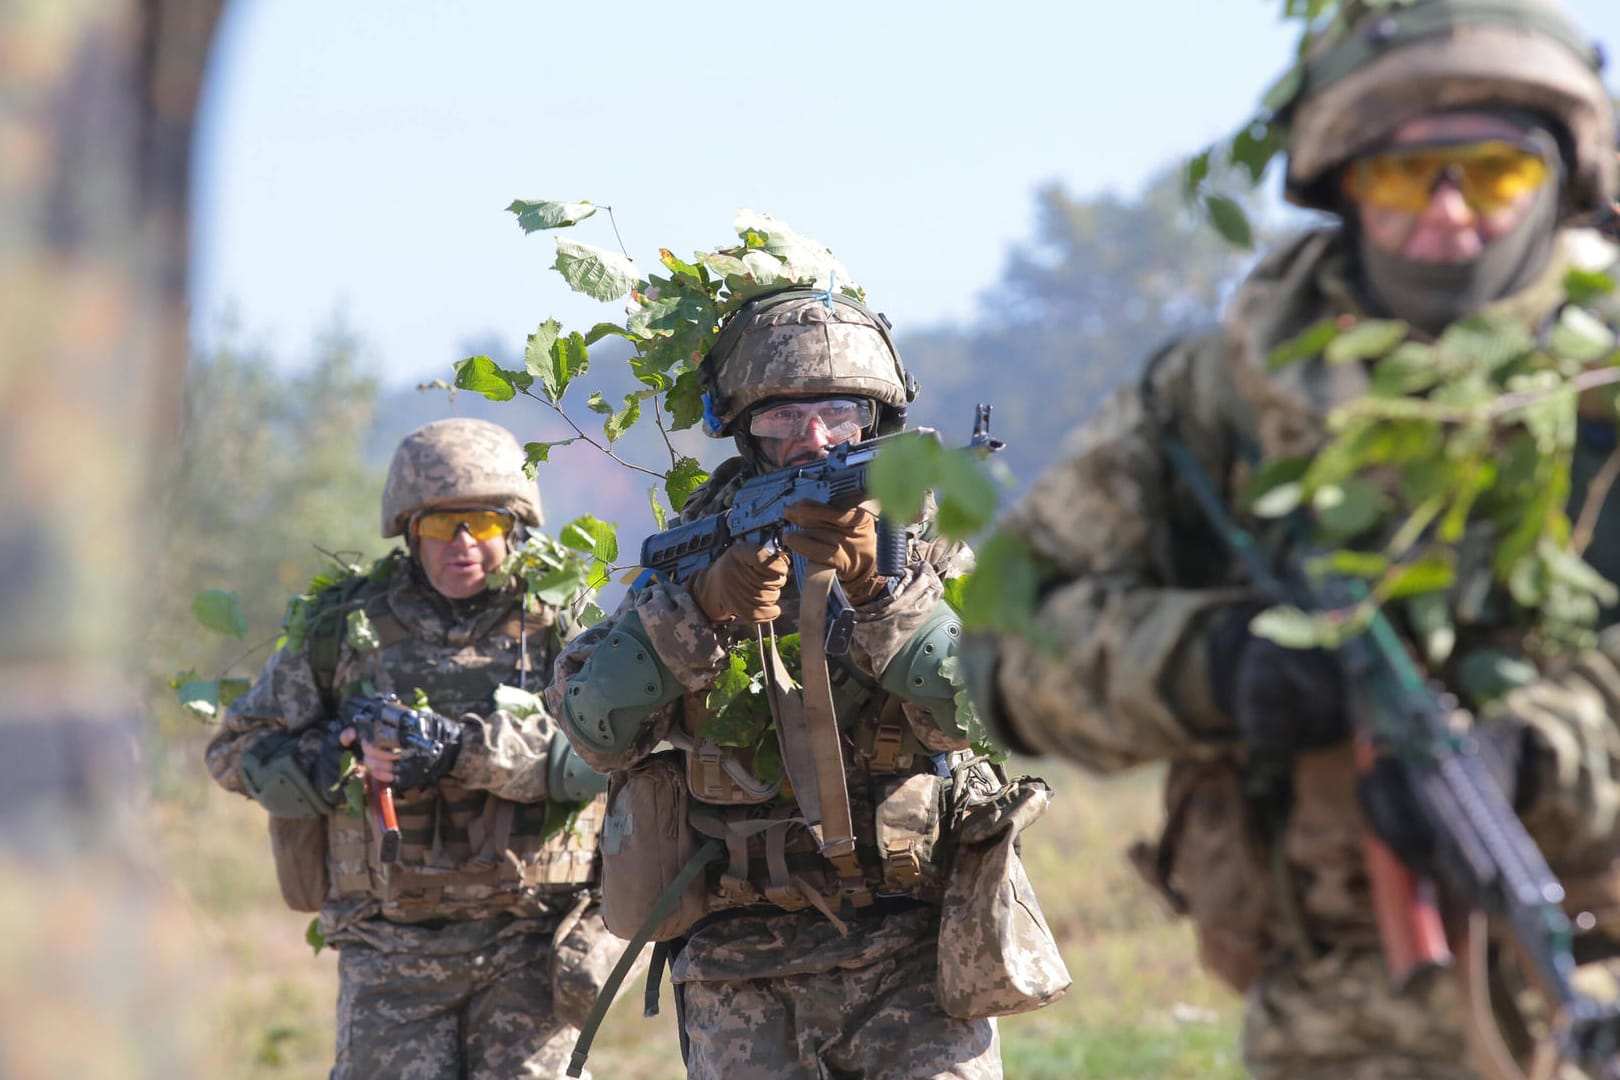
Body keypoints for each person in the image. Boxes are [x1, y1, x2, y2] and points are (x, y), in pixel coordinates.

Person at [963, 1, 1620, 1077]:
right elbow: (1003, 641)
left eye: (1495, 175)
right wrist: (1216, 665)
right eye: (1408, 178)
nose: (1450, 218)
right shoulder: (1218, 398)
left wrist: (1549, 745)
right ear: (1344, 185)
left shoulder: (1602, 383)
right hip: (1336, 1019)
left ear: (1561, 178)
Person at [547, 288, 1051, 1080]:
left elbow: (998, 714)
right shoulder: (692, 554)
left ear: (875, 421)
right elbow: (592, 732)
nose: (814, 441)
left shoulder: (927, 551)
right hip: (737, 970)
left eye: (840, 412)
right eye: (783, 417)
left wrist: (884, 595)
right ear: (742, 428)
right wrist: (700, 611)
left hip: (913, 954)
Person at [205, 417, 611, 1079]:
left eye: (480, 524)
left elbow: (609, 751)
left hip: (532, 942)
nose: (462, 546)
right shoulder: (346, 629)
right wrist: (336, 761)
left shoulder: (562, 625)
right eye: (439, 525)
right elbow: (234, 750)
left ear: (512, 528)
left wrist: (464, 752)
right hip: (390, 947)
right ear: (409, 530)